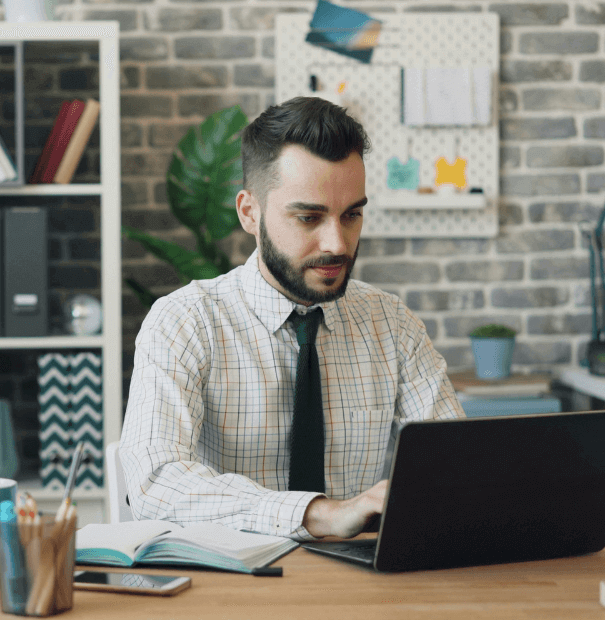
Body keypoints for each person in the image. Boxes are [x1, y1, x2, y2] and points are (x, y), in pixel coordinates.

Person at [118, 96, 464, 542]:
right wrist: (318, 514)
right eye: (309, 217)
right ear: (249, 213)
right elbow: (155, 482)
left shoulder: (391, 324)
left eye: (352, 215)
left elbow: (456, 466)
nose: (337, 243)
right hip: (233, 592)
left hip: (363, 591)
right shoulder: (186, 321)